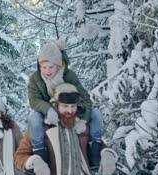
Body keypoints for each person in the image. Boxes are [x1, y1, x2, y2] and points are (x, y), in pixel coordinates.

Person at [27, 39, 103, 168]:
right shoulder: (35, 78)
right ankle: (40, 154)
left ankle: (94, 148)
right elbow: (34, 100)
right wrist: (49, 110)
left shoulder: (69, 76)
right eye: (43, 67)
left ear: (59, 65)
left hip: (71, 109)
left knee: (96, 114)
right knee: (34, 118)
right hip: (48, 112)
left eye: (51, 67)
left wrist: (83, 120)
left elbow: (85, 98)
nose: (47, 71)